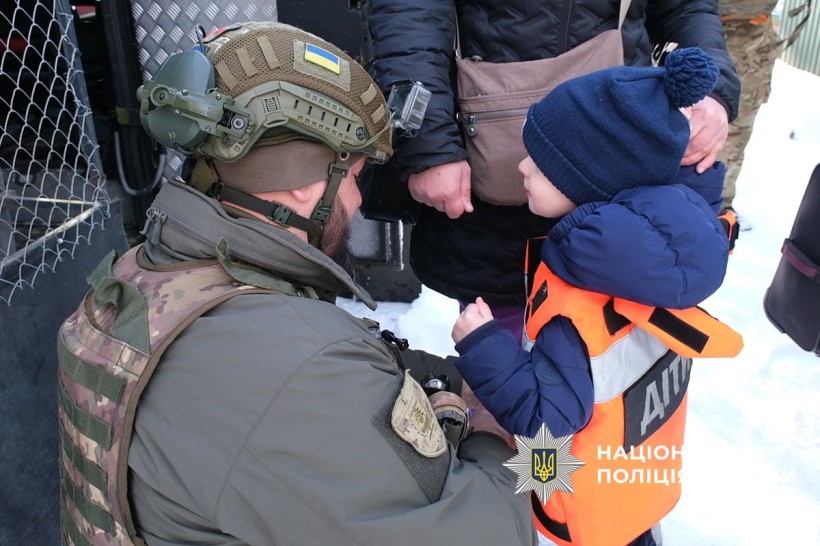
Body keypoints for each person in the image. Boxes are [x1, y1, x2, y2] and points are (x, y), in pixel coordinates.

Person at [56, 22, 536, 546]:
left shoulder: (148, 276)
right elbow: (493, 536)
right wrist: (511, 440)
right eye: (353, 177)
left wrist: (462, 382)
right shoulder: (295, 365)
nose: (358, 202)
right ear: (305, 188)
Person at [451, 48, 743, 546]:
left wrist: (482, 346)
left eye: (541, 166)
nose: (522, 167)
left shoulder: (581, 303)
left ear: (591, 186)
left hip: (574, 495)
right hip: (637, 475)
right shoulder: (653, 258)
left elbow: (549, 421)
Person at [365, 0, 741, 342]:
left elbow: (685, 7)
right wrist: (428, 140)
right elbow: (409, 11)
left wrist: (712, 89)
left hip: (625, 151)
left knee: (614, 349)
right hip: (492, 169)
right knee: (505, 349)